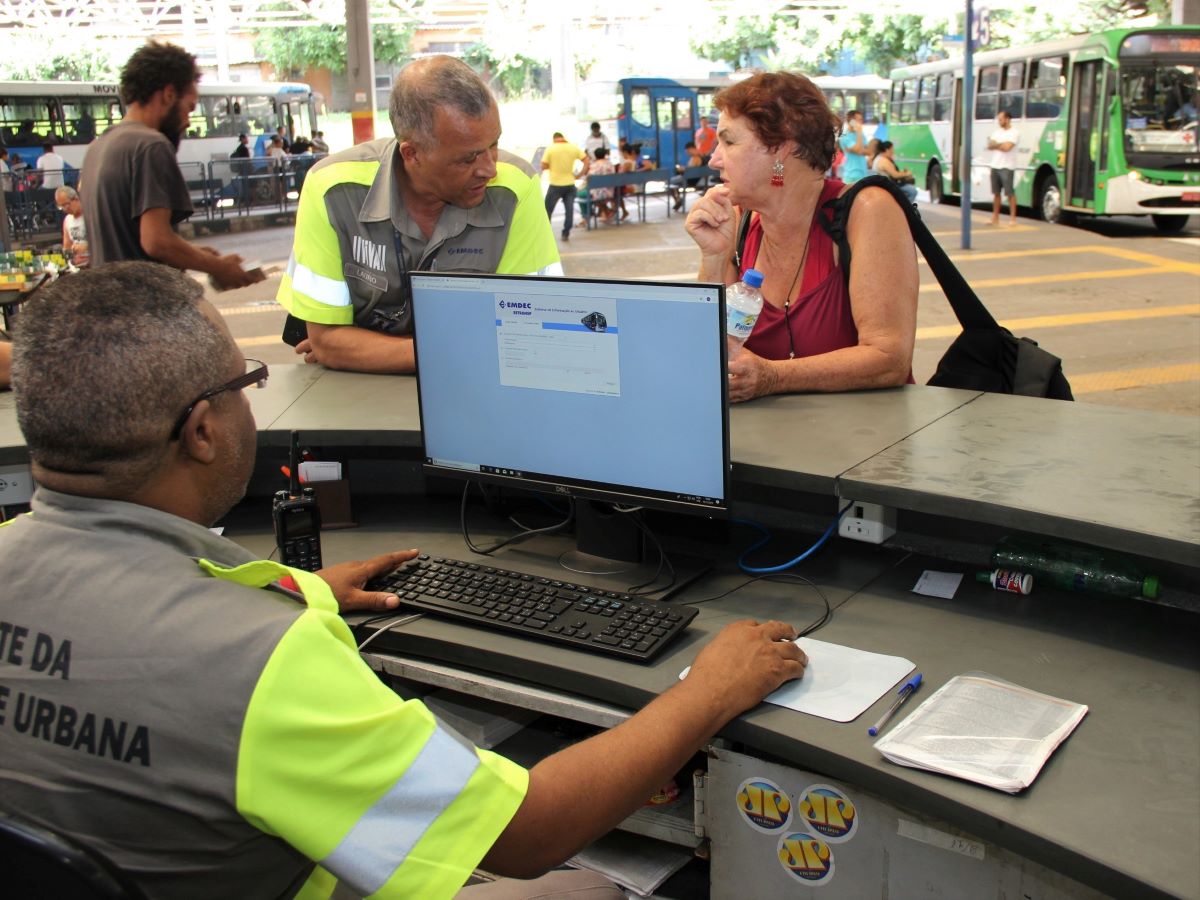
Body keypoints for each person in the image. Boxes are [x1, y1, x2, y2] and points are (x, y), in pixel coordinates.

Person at [1, 260, 807, 899]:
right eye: (248, 381)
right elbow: (524, 835)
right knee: (590, 887)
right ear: (204, 431)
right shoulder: (259, 661)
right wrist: (707, 693)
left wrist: (306, 588)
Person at [277, 55, 560, 374]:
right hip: (361, 396)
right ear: (412, 153)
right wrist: (336, 346)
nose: (490, 169)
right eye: (467, 159)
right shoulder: (332, 190)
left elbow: (526, 337)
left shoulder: (516, 187)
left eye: (493, 145)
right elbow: (327, 341)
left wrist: (366, 347)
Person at [685, 72, 917, 402]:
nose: (714, 158)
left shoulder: (867, 211)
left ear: (780, 147)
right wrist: (713, 257)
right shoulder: (738, 221)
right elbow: (711, 356)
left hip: (868, 442)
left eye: (729, 141)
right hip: (778, 443)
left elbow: (889, 358)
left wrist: (773, 377)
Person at [80, 42, 261, 288]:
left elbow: (126, 244)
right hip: (144, 310)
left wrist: (195, 254)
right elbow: (156, 241)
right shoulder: (151, 145)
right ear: (168, 94)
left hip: (108, 306)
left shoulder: (98, 147)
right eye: (189, 108)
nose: (187, 122)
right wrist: (218, 267)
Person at [542, 131, 588, 242]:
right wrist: (579, 175)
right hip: (570, 184)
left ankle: (545, 234)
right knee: (569, 210)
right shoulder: (573, 148)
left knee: (547, 210)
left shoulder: (550, 148)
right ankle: (566, 233)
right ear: (563, 138)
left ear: (554, 139)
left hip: (555, 185)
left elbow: (543, 165)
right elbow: (586, 161)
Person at [988, 110, 1019, 226]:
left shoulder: (1014, 132)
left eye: (1001, 119)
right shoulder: (996, 132)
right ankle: (995, 217)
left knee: (1010, 193)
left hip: (1007, 166)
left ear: (1007, 119)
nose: (999, 121)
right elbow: (990, 145)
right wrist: (1000, 145)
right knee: (996, 194)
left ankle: (1013, 219)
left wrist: (997, 145)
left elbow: (1008, 148)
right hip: (995, 165)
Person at [54, 185, 89, 267]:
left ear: (76, 199)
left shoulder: (91, 215)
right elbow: (67, 246)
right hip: (77, 263)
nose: (65, 209)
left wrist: (87, 246)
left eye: (66, 204)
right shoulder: (67, 220)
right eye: (61, 206)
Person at [669, 140, 704, 211]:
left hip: (690, 180)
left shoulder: (696, 158)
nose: (687, 153)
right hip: (693, 179)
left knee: (669, 182)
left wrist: (682, 169)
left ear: (692, 149)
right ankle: (678, 200)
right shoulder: (700, 157)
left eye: (688, 151)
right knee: (672, 183)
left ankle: (678, 200)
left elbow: (690, 171)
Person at [837, 110, 868, 183]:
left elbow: (869, 151)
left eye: (861, 119)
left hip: (863, 174)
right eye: (859, 120)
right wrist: (859, 132)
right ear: (851, 121)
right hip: (851, 175)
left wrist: (860, 150)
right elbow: (858, 149)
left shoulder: (861, 134)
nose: (861, 122)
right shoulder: (845, 136)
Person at [588, 145, 616, 221]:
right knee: (596, 194)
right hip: (610, 190)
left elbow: (590, 177)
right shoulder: (610, 164)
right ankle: (607, 211)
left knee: (592, 196)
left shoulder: (594, 165)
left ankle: (607, 211)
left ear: (595, 155)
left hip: (599, 193)